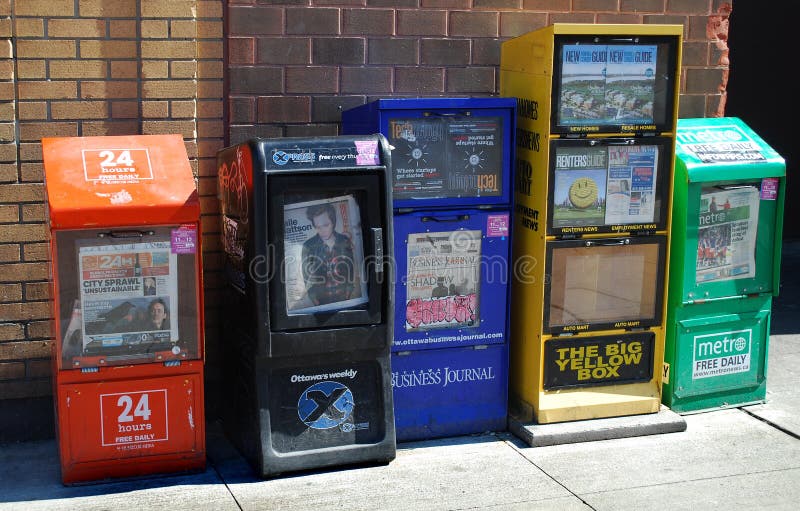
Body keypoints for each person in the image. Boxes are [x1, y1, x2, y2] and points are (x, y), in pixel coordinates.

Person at [301, 202, 356, 306]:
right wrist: (315, 301)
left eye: (326, 225)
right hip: (321, 300)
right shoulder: (308, 246)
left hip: (343, 297)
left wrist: (348, 294)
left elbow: (350, 269)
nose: (323, 231)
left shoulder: (344, 241)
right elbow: (307, 277)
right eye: (318, 227)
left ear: (333, 222)